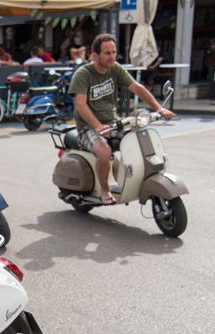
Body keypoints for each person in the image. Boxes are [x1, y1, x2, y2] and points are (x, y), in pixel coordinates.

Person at [68, 33, 174, 205]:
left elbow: (137, 88)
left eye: (114, 52)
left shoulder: (115, 69)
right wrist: (96, 125)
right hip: (88, 127)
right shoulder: (83, 74)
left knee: (141, 138)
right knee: (104, 152)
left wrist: (159, 108)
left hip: (113, 122)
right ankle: (105, 190)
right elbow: (80, 104)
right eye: (107, 53)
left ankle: (142, 180)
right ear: (96, 55)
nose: (112, 57)